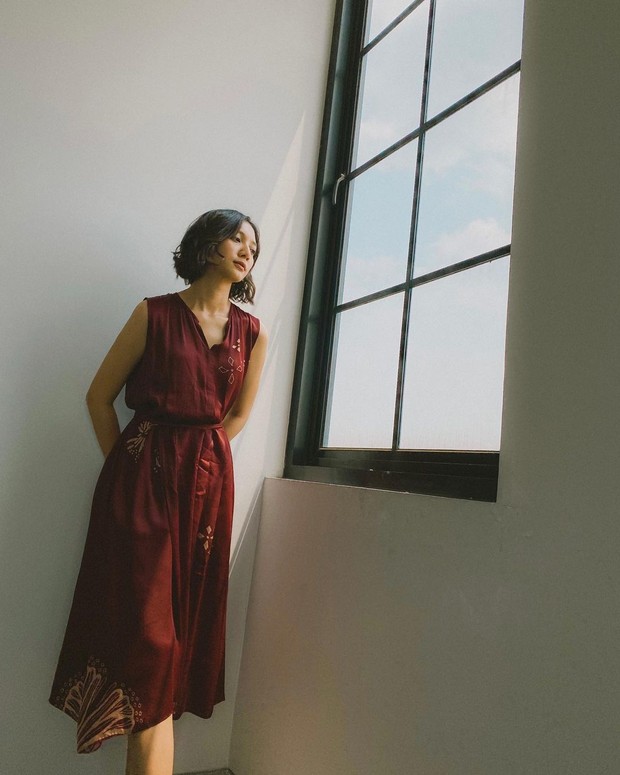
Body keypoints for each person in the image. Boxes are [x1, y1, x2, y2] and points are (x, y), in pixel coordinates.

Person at [49, 209, 268, 775]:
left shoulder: (253, 330)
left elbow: (237, 414)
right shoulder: (154, 313)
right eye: (235, 236)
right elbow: (99, 397)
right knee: (149, 640)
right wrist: (132, 469)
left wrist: (201, 460)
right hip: (140, 487)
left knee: (176, 643)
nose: (246, 248)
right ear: (205, 243)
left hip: (206, 493)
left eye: (254, 243)